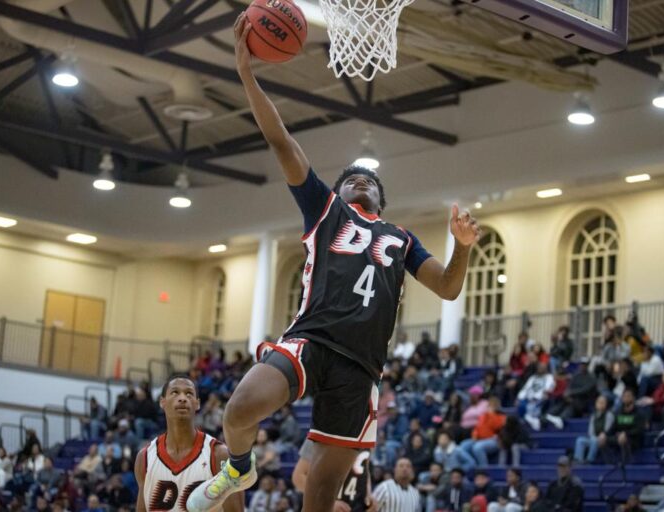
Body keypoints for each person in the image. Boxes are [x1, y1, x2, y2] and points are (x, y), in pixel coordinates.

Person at [189, 13, 482, 512]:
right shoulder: (325, 210)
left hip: (361, 369)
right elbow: (281, 140)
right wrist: (246, 74)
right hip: (312, 339)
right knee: (238, 409)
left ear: (381, 201)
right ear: (340, 192)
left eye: (368, 180)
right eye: (351, 179)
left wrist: (463, 248)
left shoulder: (401, 238)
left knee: (321, 497)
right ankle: (239, 468)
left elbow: (449, 289)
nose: (360, 181)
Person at [136, 375, 243, 512]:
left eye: (189, 393)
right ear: (162, 402)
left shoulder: (219, 454)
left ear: (197, 403)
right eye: (175, 392)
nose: (182, 398)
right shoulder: (144, 457)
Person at [607, 389, 645, 463]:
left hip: (635, 439)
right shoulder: (618, 412)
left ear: (633, 398)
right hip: (621, 436)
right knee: (603, 439)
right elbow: (613, 427)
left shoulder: (639, 412)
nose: (626, 398)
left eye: (628, 396)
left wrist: (626, 433)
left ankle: (627, 463)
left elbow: (639, 429)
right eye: (624, 396)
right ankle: (609, 463)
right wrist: (604, 434)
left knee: (623, 439)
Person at [573, 395, 614, 464]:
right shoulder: (593, 416)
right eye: (599, 402)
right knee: (580, 440)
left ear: (606, 404)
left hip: (605, 438)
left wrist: (603, 435)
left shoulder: (609, 415)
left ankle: (589, 460)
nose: (600, 404)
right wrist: (593, 437)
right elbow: (591, 431)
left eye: (602, 402)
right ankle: (578, 460)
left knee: (594, 440)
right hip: (594, 439)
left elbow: (608, 429)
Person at [517, 363, 555, 430]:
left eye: (542, 368)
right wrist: (519, 398)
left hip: (540, 399)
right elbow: (525, 388)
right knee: (521, 404)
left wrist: (541, 395)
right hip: (529, 399)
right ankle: (529, 418)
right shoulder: (532, 377)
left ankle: (530, 418)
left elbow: (549, 388)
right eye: (539, 368)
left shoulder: (549, 377)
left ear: (545, 369)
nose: (540, 369)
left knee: (540, 402)